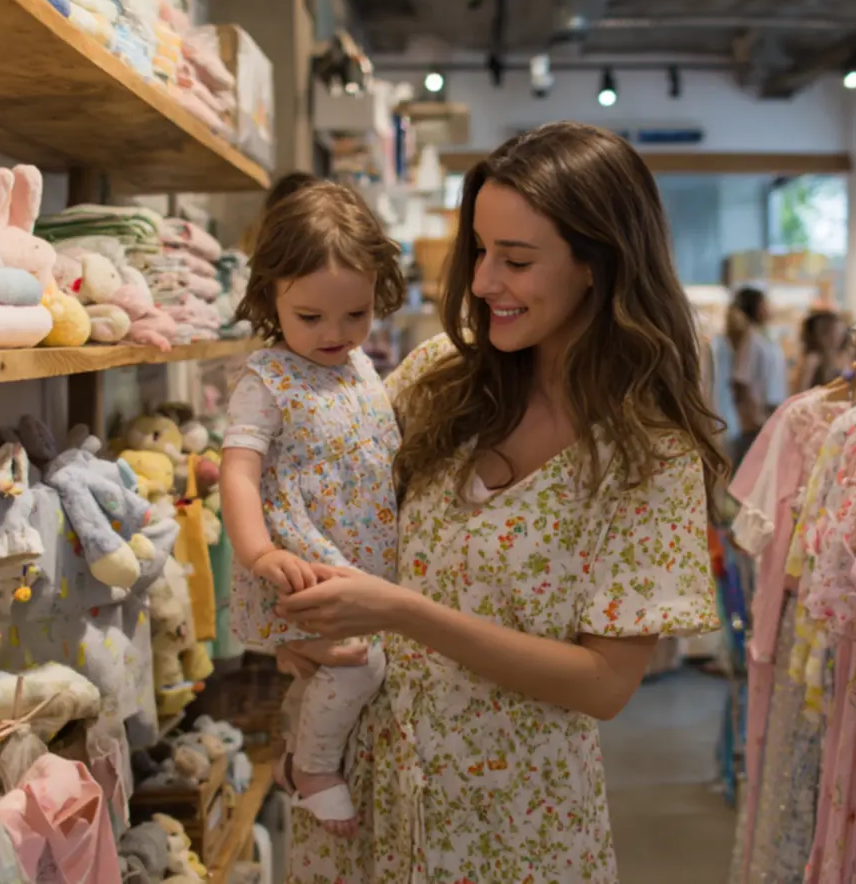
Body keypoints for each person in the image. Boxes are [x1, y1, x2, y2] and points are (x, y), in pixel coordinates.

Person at [269, 121, 725, 882]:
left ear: (597, 266)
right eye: (479, 251)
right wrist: (296, 607)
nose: (482, 282)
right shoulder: (437, 376)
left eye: (515, 260)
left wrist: (400, 611)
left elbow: (606, 684)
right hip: (363, 800)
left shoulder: (648, 454)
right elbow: (336, 497)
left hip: (515, 824)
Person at [219, 178, 406, 837]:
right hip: (300, 560)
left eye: (355, 315)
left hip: (359, 554)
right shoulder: (266, 379)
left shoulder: (358, 366)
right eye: (311, 317)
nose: (335, 334)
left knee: (343, 662)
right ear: (270, 295)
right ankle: (311, 767)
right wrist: (260, 552)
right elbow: (238, 474)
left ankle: (304, 742)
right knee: (361, 661)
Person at [728, 286, 787, 460]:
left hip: (769, 415)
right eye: (764, 304)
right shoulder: (750, 339)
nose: (769, 308)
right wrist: (753, 418)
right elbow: (741, 381)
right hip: (757, 421)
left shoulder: (765, 336)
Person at [792, 309, 846, 394]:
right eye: (836, 330)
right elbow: (800, 392)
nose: (840, 335)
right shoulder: (813, 359)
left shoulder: (835, 357)